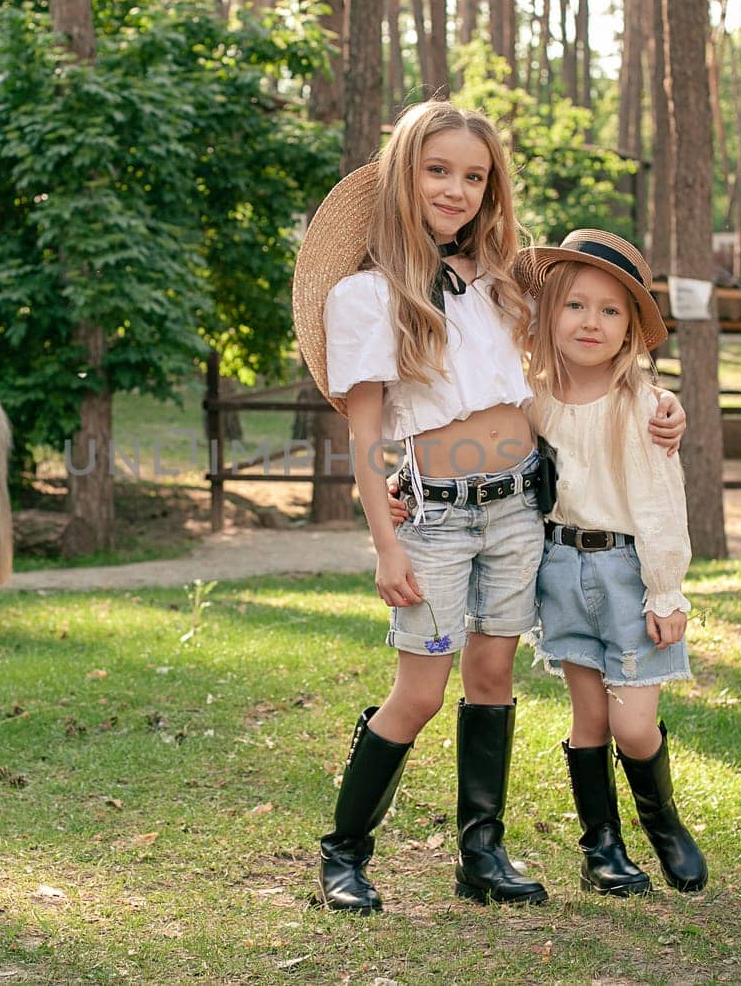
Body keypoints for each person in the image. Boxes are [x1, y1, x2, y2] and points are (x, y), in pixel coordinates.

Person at [290, 101, 684, 914]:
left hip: (517, 512)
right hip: (436, 518)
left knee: (494, 674)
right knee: (422, 689)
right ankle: (344, 852)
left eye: (474, 176)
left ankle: (482, 852)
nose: (456, 189)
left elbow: (585, 359)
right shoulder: (365, 296)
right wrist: (384, 545)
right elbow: (366, 434)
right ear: (404, 174)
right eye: (438, 170)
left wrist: (660, 402)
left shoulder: (504, 283)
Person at [516, 228, 708, 897]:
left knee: (632, 723)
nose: (589, 321)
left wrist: (667, 589)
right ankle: (601, 847)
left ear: (629, 327)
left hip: (627, 574)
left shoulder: (644, 405)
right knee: (589, 718)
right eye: (574, 305)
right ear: (549, 315)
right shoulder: (529, 397)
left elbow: (659, 503)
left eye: (609, 309)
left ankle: (664, 825)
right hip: (560, 573)